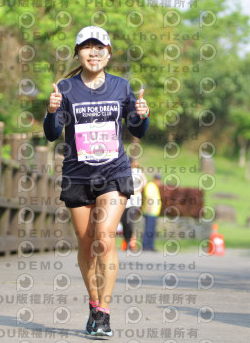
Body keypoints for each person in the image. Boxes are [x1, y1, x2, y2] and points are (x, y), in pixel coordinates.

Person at [43, 26, 150, 337]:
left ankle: (104, 313)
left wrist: (142, 115)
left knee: (103, 238)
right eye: (87, 47)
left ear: (109, 53)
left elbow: (137, 130)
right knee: (87, 243)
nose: (94, 52)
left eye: (99, 47)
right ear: (78, 53)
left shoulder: (121, 87)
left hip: (114, 173)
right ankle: (93, 303)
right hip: (77, 175)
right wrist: (51, 111)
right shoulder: (66, 88)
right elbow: (52, 133)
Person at [120, 159, 146, 251]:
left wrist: (138, 190)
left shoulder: (138, 172)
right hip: (125, 203)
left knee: (130, 222)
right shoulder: (124, 172)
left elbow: (144, 182)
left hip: (134, 202)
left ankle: (131, 242)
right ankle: (126, 241)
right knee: (124, 222)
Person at [142, 174, 162, 251]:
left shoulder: (154, 186)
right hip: (150, 212)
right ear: (154, 179)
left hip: (154, 213)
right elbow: (149, 198)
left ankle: (150, 246)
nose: (159, 182)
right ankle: (146, 245)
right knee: (148, 229)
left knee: (152, 230)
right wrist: (149, 209)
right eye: (158, 180)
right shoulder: (150, 186)